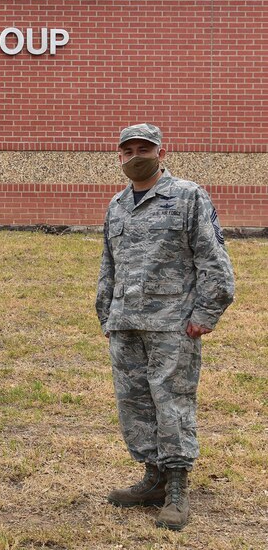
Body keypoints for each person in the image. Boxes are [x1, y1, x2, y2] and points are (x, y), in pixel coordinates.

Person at [96, 123, 235, 531]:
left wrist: (205, 314)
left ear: (161, 151)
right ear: (119, 156)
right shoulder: (117, 205)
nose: (135, 155)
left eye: (144, 148)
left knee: (171, 403)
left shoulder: (188, 196)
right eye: (128, 150)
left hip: (173, 326)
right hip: (126, 325)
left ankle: (176, 485)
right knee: (135, 404)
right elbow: (109, 264)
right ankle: (152, 476)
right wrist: (107, 314)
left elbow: (213, 260)